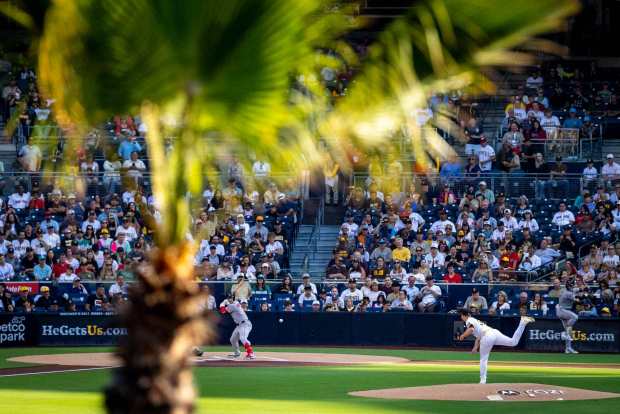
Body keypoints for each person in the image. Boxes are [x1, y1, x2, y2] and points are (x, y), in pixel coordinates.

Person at [457, 309, 534, 384]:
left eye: (461, 315)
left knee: (483, 359)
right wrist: (475, 346)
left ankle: (483, 381)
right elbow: (479, 336)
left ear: (465, 315)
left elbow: (471, 329)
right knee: (513, 342)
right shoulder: (474, 320)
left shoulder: (469, 320)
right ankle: (522, 323)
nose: (461, 317)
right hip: (493, 332)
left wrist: (463, 335)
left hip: (487, 336)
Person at [557, 280, 579, 354]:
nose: (573, 287)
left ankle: (568, 348)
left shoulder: (568, 290)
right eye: (571, 285)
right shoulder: (568, 293)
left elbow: (577, 289)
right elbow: (577, 300)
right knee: (575, 317)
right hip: (562, 311)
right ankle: (565, 334)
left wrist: (582, 288)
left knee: (569, 330)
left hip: (562, 311)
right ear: (569, 286)